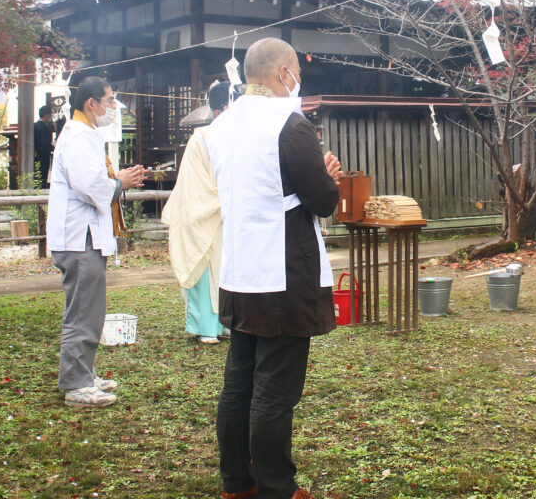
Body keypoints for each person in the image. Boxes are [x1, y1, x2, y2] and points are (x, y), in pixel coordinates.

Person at [209, 38, 341, 499]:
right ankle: (276, 488)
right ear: (284, 73)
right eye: (296, 73)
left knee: (239, 383)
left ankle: (236, 483)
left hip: (240, 266)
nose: (298, 81)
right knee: (275, 390)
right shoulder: (290, 123)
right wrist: (328, 177)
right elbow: (321, 199)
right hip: (284, 269)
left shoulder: (221, 126)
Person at [47, 76, 146, 408]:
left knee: (89, 308)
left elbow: (96, 181)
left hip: (85, 236)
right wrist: (121, 181)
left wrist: (118, 180)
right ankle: (76, 384)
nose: (113, 107)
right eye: (109, 100)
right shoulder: (77, 136)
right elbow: (89, 185)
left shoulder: (86, 134)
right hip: (78, 238)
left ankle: (84, 373)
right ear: (91, 103)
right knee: (82, 311)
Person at [163, 80, 235, 345]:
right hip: (206, 213)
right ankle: (206, 325)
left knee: (228, 269)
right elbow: (195, 184)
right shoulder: (200, 138)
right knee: (206, 266)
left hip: (230, 215)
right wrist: (223, 199)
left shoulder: (240, 138)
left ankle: (225, 321)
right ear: (218, 111)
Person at [34, 105, 54, 188]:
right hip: (43, 157)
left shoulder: (35, 126)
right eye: (50, 115)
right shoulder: (43, 128)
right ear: (46, 115)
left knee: (36, 177)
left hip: (35, 157)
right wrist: (54, 148)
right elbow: (45, 144)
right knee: (42, 177)